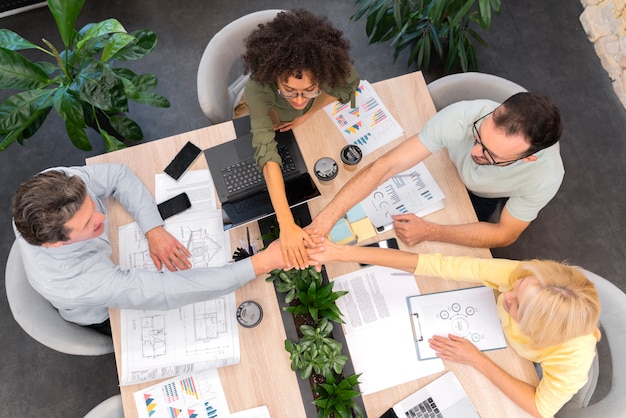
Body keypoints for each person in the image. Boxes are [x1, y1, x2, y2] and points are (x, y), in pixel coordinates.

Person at [11, 164, 317, 335]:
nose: (102, 217)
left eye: (94, 205)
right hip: (100, 312)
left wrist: (153, 228)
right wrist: (263, 262)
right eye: (90, 223)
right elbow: (171, 290)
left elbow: (117, 176)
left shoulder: (53, 184)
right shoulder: (77, 283)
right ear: (55, 242)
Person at [310, 240, 601, 418]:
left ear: (537, 332)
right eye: (516, 288)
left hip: (526, 368)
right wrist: (344, 254)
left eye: (515, 306)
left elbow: (541, 408)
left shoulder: (572, 357)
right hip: (499, 338)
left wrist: (477, 359)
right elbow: (443, 265)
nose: (504, 294)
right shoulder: (525, 279)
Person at [309, 92, 564, 248]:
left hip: (484, 196)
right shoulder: (463, 116)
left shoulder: (546, 177)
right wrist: (324, 221)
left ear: (528, 159)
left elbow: (504, 233)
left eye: (491, 155)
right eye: (478, 136)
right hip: (444, 168)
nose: (475, 152)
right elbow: (385, 166)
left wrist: (432, 231)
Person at [242, 9, 360, 269]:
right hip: (269, 116)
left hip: (304, 127)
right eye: (289, 91)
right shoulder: (258, 88)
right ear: (274, 77)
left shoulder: (328, 68)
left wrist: (310, 111)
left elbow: (350, 85)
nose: (298, 100)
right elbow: (265, 148)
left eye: (309, 90)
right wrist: (286, 222)